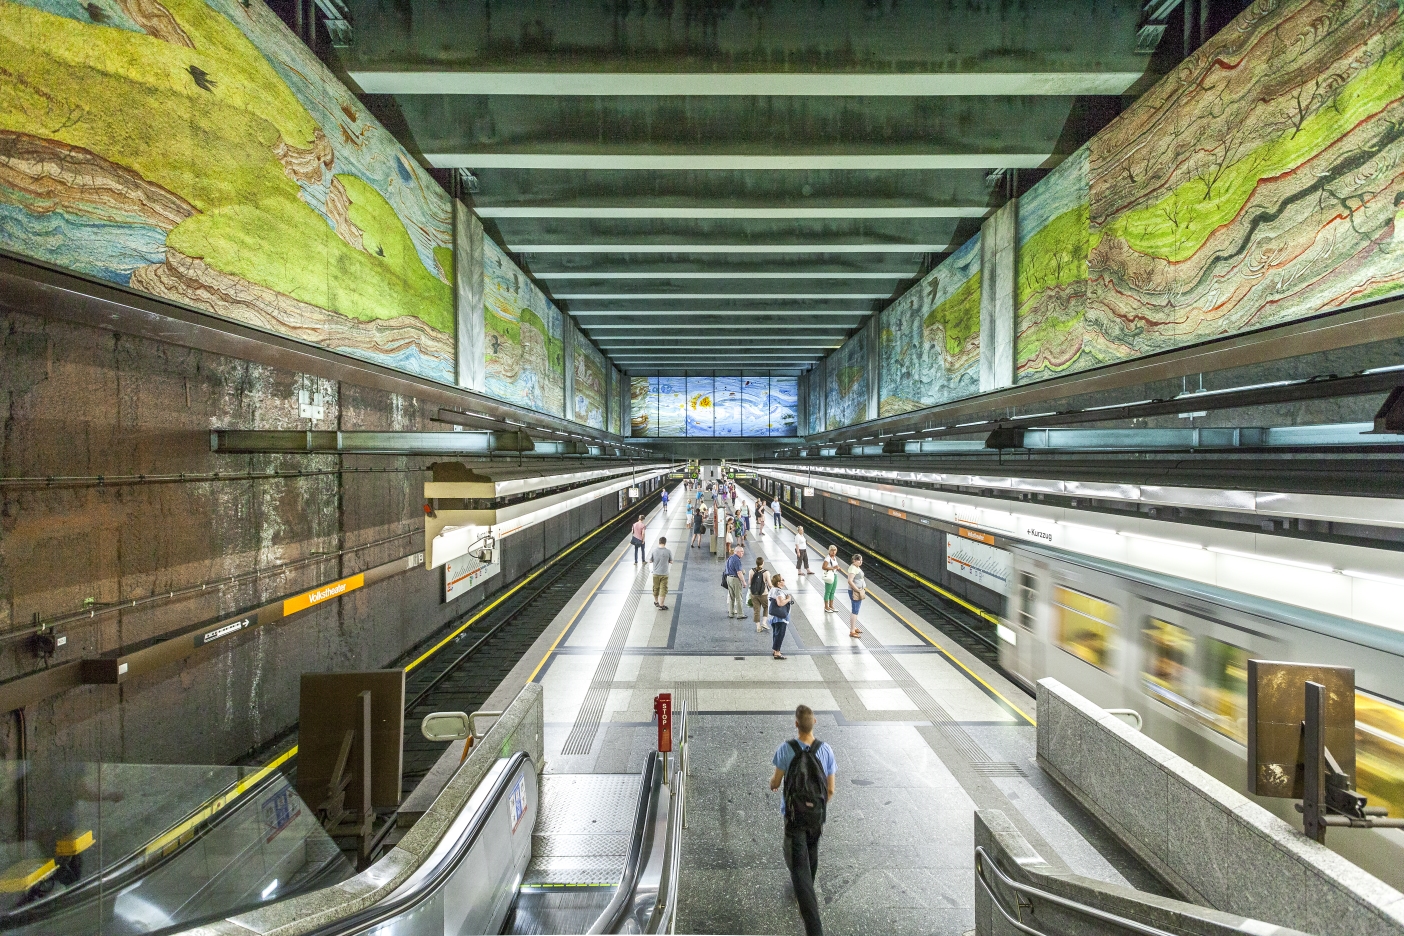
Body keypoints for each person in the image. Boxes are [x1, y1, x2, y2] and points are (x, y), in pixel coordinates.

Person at [770, 705, 835, 936]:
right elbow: (830, 789)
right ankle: (804, 886)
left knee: (797, 864)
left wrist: (775, 782)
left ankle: (813, 924)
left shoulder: (786, 749)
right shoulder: (826, 750)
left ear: (796, 724)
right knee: (811, 851)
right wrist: (815, 807)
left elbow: (775, 783)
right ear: (814, 722)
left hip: (794, 818)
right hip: (816, 818)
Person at [767, 573, 793, 660]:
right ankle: (777, 652)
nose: (784, 580)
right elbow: (780, 603)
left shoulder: (773, 589)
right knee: (780, 634)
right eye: (783, 580)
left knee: (776, 633)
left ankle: (775, 649)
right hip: (779, 617)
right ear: (778, 583)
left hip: (773, 616)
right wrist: (788, 599)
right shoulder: (779, 592)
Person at [648, 536, 672, 610]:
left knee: (656, 588)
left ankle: (656, 602)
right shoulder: (668, 551)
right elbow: (671, 561)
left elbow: (650, 561)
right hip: (664, 574)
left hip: (655, 573)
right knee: (663, 589)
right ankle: (661, 605)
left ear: (659, 542)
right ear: (665, 543)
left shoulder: (654, 551)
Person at [845, 554, 866, 638]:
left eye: (861, 560)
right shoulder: (853, 568)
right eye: (858, 560)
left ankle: (854, 627)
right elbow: (850, 581)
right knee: (855, 610)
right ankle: (852, 631)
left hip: (858, 590)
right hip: (855, 592)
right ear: (854, 560)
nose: (860, 562)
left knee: (856, 610)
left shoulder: (856, 567)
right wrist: (857, 590)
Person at [725, 545, 747, 619]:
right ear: (737, 552)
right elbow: (739, 573)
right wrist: (744, 582)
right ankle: (740, 614)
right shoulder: (737, 560)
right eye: (741, 552)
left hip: (728, 578)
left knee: (731, 597)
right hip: (735, 580)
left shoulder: (730, 558)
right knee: (738, 597)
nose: (743, 553)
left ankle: (731, 613)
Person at [749, 556, 770, 631]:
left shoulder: (751, 571)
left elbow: (749, 582)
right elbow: (769, 584)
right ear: (763, 563)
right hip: (764, 593)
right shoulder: (766, 572)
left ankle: (758, 627)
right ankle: (764, 622)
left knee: (756, 610)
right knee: (766, 607)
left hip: (754, 593)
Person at [820, 546, 841, 614]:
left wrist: (838, 568)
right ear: (829, 551)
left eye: (835, 550)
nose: (834, 552)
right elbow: (824, 567)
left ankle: (831, 605)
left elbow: (835, 566)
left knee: (833, 591)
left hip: (835, 575)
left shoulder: (834, 558)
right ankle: (826, 607)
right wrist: (833, 568)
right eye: (832, 550)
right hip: (830, 576)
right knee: (828, 591)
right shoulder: (827, 558)